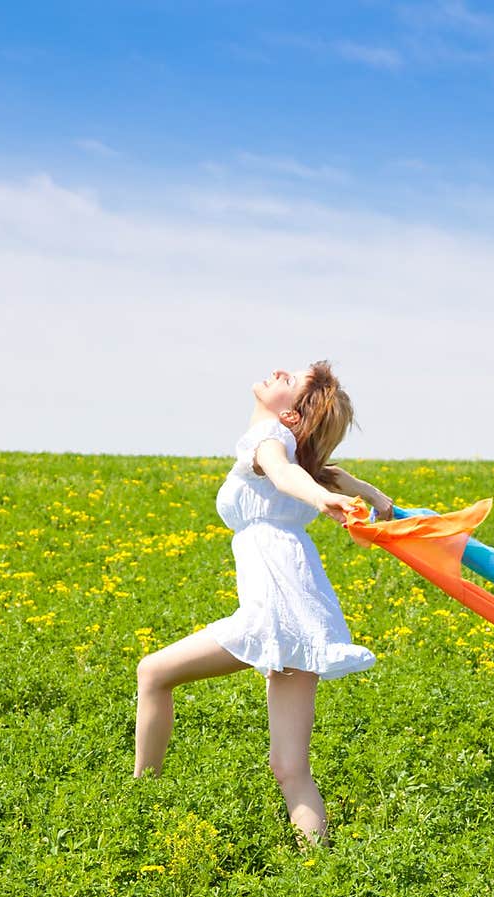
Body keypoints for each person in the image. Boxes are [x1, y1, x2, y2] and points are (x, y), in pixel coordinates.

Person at [134, 360, 393, 846]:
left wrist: (321, 499)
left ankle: (140, 797)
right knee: (290, 766)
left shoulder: (269, 442)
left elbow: (282, 475)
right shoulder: (302, 459)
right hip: (305, 609)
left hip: (273, 608)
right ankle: (320, 873)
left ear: (291, 416)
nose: (278, 371)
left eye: (289, 380)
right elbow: (322, 475)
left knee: (153, 672)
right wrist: (369, 494)